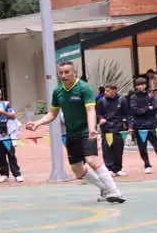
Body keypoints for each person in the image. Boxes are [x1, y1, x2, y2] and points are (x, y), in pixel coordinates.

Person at [25, 61, 124, 202]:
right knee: (77, 170)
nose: (63, 75)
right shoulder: (57, 91)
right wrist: (37, 123)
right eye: (61, 73)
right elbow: (52, 114)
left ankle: (115, 192)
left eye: (67, 72)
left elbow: (90, 110)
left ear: (74, 72)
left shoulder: (84, 88)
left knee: (92, 160)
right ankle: (104, 188)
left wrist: (91, 129)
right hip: (71, 134)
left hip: (85, 130)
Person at [0, 88, 23, 183]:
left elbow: (13, 116)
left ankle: (17, 174)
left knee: (11, 155)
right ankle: (4, 174)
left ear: (0, 96)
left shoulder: (6, 104)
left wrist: (3, 113)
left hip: (7, 135)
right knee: (0, 157)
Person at [96, 82, 128, 176]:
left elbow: (127, 113)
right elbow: (98, 113)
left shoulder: (122, 100)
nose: (105, 92)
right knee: (107, 149)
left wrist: (128, 126)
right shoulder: (101, 101)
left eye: (108, 90)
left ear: (114, 91)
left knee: (118, 149)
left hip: (118, 128)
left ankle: (118, 169)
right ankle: (109, 168)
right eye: (105, 90)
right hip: (106, 128)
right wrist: (101, 119)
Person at [127, 76, 157, 174]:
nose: (141, 87)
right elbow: (135, 110)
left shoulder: (151, 95)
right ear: (136, 86)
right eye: (138, 85)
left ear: (145, 85)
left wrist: (145, 110)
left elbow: (155, 107)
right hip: (139, 126)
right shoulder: (133, 97)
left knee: (156, 144)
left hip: (152, 125)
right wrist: (148, 109)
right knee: (142, 147)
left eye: (142, 85)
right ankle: (147, 164)